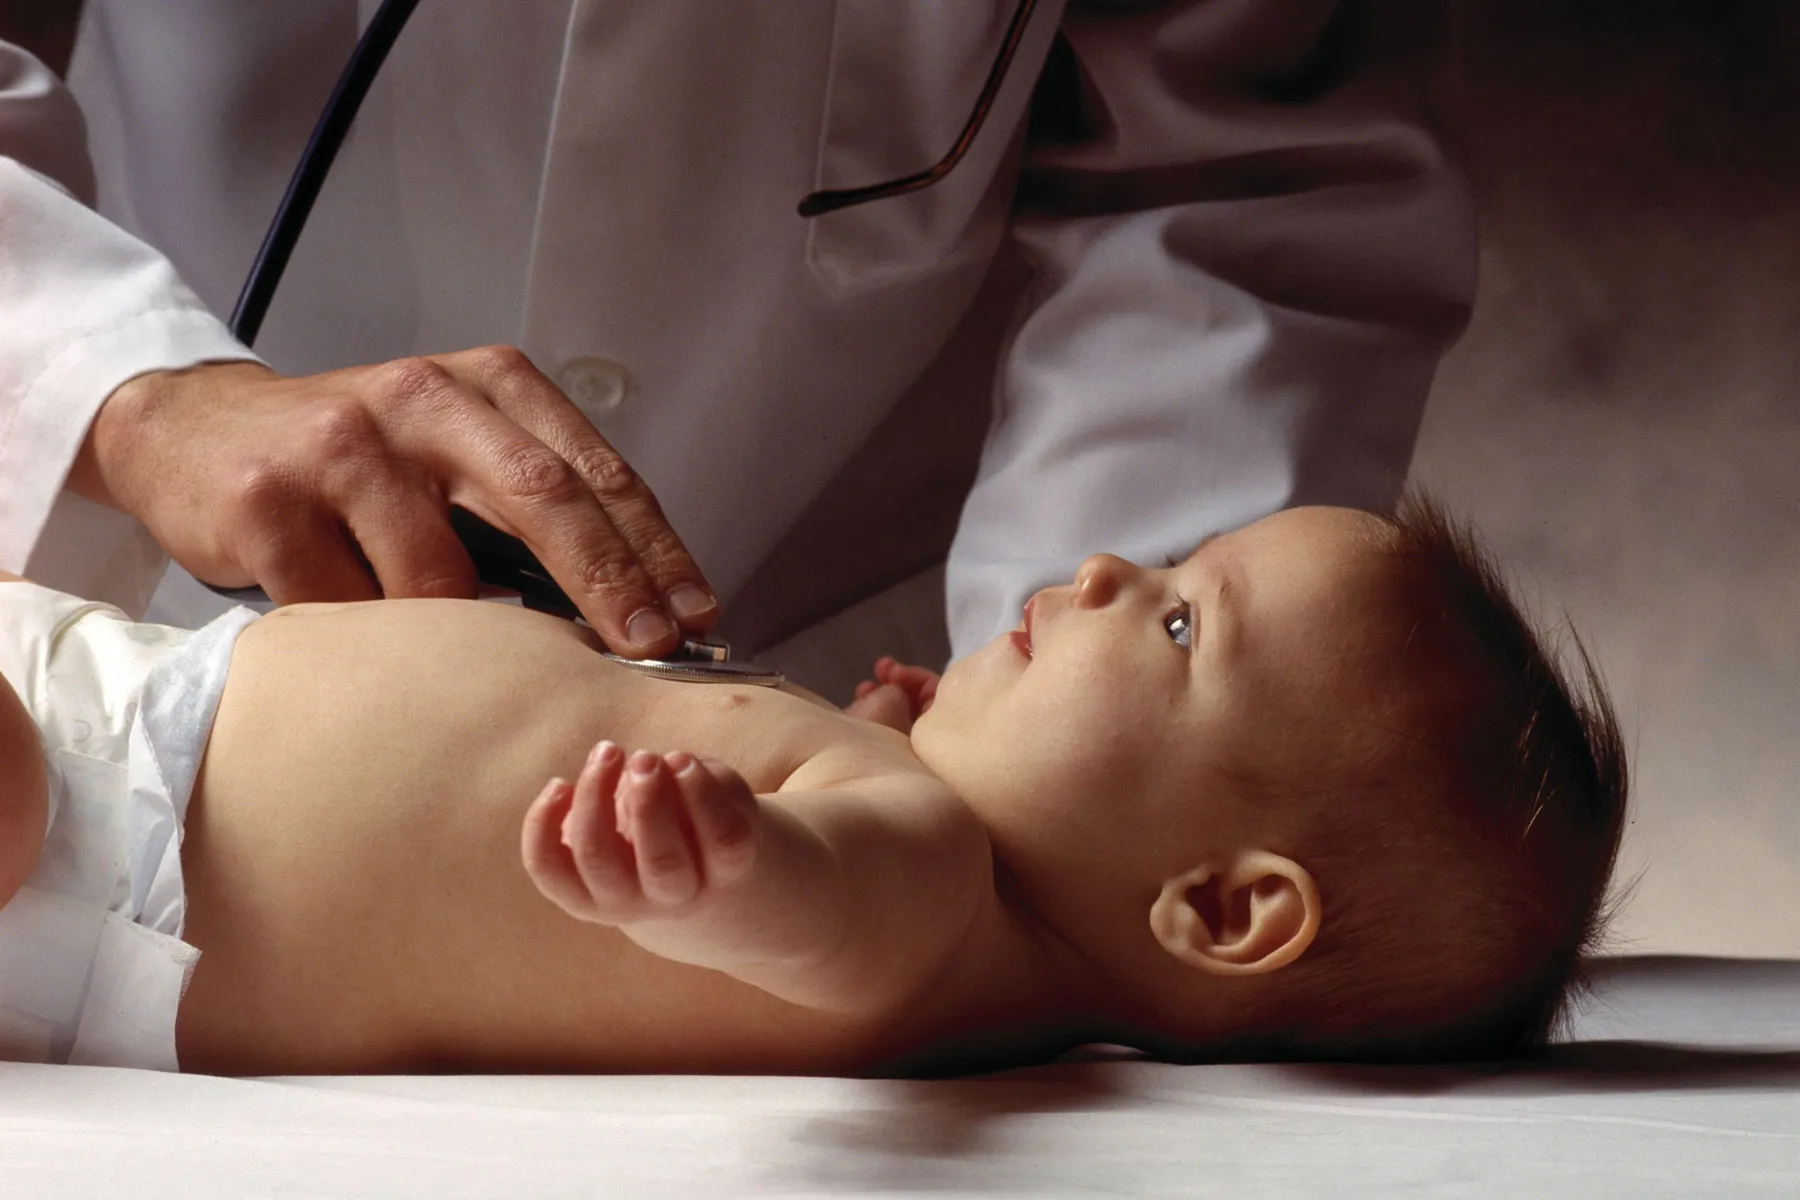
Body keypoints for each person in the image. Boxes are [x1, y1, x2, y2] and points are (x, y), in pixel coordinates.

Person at [0, 3, 1475, 697]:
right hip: (124, 606)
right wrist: (115, 382)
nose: (1107, 592)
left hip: (857, 668)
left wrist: (1051, 743)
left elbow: (1230, 170)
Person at [0, 497, 1626, 1074]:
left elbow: (824, 924)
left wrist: (736, 864)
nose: (1121, 563)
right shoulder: (939, 848)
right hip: (135, 728)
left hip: (114, 837)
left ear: (1217, 907)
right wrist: (866, 739)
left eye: (1190, 619)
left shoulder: (913, 876)